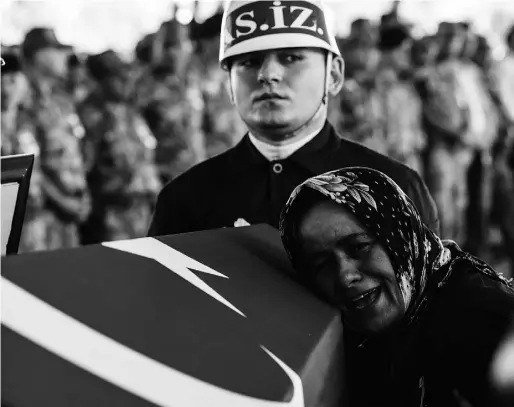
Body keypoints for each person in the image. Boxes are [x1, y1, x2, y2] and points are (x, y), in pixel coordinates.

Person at [148, 0, 439, 237]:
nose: (267, 75)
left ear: (334, 74)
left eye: (291, 58)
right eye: (249, 61)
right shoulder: (184, 201)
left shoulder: (397, 190)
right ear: (229, 85)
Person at [279, 167, 514, 406]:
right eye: (321, 264)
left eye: (359, 247)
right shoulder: (381, 329)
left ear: (398, 236)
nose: (345, 276)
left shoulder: (480, 324)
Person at [79, 50, 161, 244]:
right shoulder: (91, 114)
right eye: (119, 78)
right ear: (103, 80)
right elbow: (84, 166)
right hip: (112, 216)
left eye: (127, 76)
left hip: (143, 210)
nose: (127, 82)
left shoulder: (129, 110)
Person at [21, 27, 91, 251]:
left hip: (69, 215)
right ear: (40, 56)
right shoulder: (22, 102)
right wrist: (62, 201)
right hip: (39, 218)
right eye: (58, 51)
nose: (65, 58)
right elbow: (27, 165)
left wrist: (82, 197)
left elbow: (74, 153)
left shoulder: (61, 100)